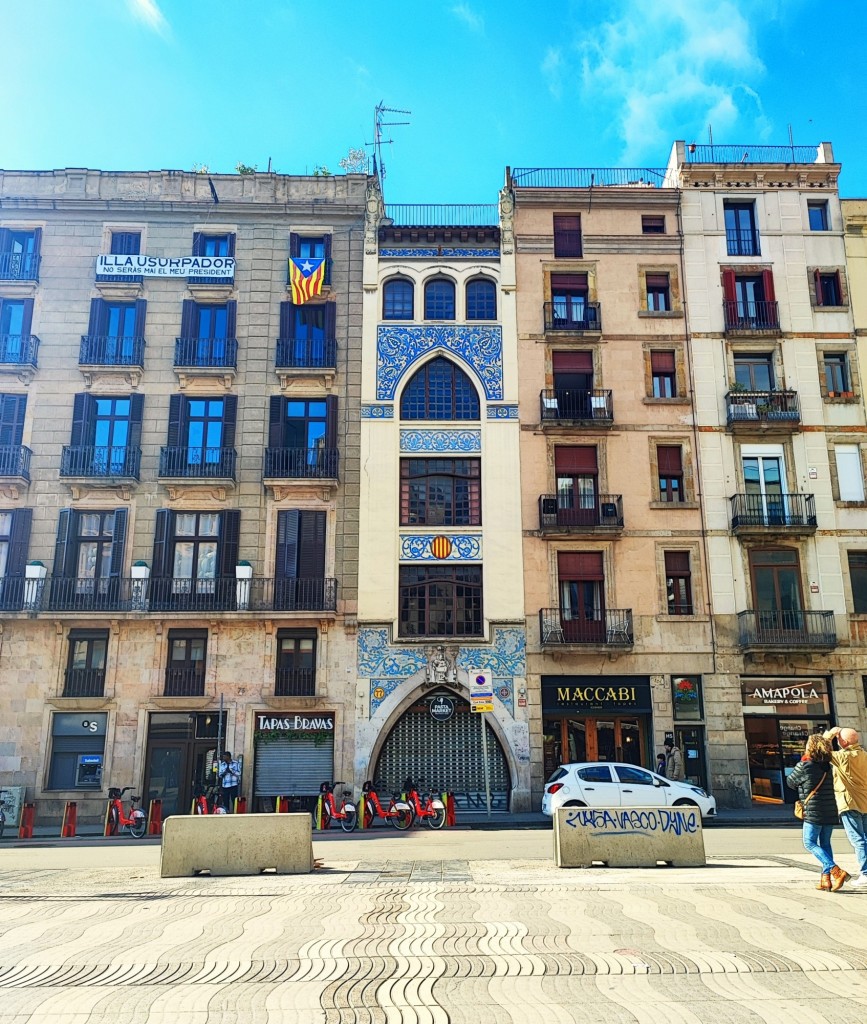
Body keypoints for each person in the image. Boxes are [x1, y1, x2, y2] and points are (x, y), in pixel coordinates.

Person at [786, 735, 842, 891]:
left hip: (813, 810)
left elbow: (790, 782)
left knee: (809, 842)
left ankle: (835, 870)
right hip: (830, 809)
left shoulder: (805, 765)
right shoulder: (829, 765)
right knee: (825, 843)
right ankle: (826, 880)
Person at [823, 726, 867, 888]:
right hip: (865, 801)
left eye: (839, 739)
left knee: (858, 840)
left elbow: (820, 751)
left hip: (849, 802)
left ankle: (865, 873)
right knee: (866, 838)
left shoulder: (842, 757)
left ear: (844, 741)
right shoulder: (864, 756)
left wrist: (829, 735)